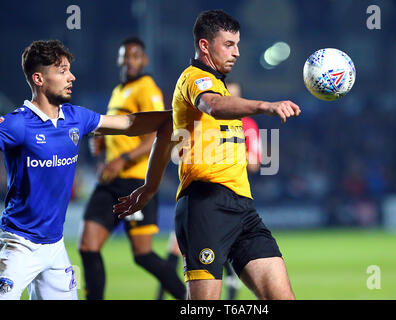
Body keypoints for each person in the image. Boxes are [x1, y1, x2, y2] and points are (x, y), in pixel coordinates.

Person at [114, 10, 300, 300]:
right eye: (229, 44)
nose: (237, 52)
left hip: (243, 208)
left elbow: (166, 130)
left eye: (238, 44)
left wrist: (150, 187)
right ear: (204, 45)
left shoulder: (219, 83)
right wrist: (266, 105)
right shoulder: (195, 79)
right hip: (205, 205)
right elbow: (213, 105)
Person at [0, 39, 173, 300]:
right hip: (19, 246)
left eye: (69, 69)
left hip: (55, 247)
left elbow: (127, 123)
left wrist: (173, 116)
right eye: (62, 71)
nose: (72, 77)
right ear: (38, 78)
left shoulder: (76, 117)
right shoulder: (17, 124)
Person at [78, 37, 185, 300]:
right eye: (125, 56)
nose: (129, 61)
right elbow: (117, 128)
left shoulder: (147, 88)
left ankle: (189, 299)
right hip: (110, 182)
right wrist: (102, 142)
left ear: (144, 60)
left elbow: (158, 135)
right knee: (87, 247)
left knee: (143, 255)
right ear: (118, 60)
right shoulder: (118, 91)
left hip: (136, 182)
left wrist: (122, 159)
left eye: (135, 56)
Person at [155, 81, 261, 300]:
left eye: (236, 97)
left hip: (231, 194)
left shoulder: (247, 124)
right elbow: (178, 151)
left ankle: (231, 292)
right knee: (175, 249)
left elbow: (255, 164)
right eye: (228, 97)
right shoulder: (202, 119)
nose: (232, 102)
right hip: (198, 195)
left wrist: (232, 151)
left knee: (222, 254)